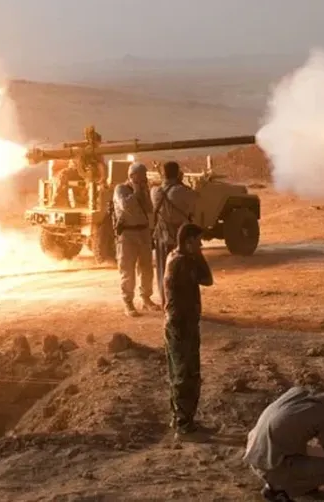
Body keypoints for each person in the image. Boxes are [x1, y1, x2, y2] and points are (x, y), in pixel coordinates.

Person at [243, 386, 324, 501]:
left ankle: (283, 485)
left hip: (254, 457)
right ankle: (280, 491)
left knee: (308, 451)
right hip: (271, 467)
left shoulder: (296, 392)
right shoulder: (323, 417)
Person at [163, 222, 213, 439]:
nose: (201, 244)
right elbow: (207, 279)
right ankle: (183, 426)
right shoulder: (182, 263)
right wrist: (199, 254)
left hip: (181, 324)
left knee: (181, 373)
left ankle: (181, 420)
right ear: (189, 242)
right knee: (186, 375)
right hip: (182, 326)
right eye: (198, 241)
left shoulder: (176, 257)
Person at [112, 162, 157, 316]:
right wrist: (137, 191)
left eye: (145, 175)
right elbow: (127, 207)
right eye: (141, 175)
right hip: (128, 235)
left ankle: (146, 298)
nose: (144, 178)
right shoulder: (121, 190)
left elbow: (150, 209)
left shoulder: (144, 191)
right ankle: (128, 302)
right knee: (128, 270)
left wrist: (145, 193)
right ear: (132, 176)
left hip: (143, 232)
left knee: (146, 268)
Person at [151, 161, 197, 308]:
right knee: (181, 273)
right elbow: (194, 202)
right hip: (179, 239)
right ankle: (181, 303)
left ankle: (166, 302)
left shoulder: (154, 191)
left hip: (162, 239)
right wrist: (181, 182)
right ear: (178, 174)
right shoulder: (181, 191)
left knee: (162, 271)